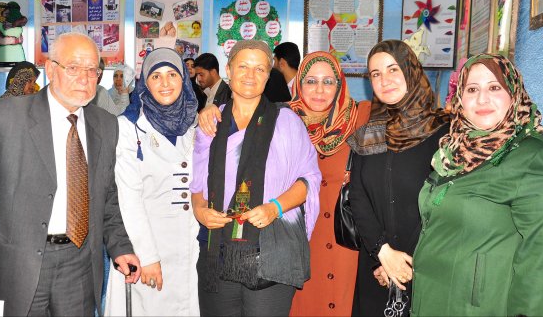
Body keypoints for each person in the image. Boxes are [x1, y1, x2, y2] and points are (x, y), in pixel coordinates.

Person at [0, 32, 141, 316]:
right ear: (50, 69)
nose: (84, 78)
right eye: (73, 67)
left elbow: (107, 195)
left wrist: (120, 246)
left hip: (80, 265)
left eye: (92, 70)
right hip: (17, 264)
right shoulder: (5, 116)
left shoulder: (106, 125)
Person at [411, 54, 543, 316]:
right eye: (472, 89)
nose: (482, 99)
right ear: (460, 98)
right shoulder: (453, 152)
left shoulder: (537, 157)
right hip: (431, 302)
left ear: (514, 94)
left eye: (494, 87)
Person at [191, 40, 321, 317]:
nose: (250, 75)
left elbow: (308, 180)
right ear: (228, 70)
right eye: (243, 67)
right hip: (217, 248)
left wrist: (275, 207)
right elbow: (198, 181)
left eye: (260, 69)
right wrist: (200, 210)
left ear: (268, 75)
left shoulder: (287, 122)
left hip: (270, 249)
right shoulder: (211, 122)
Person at [347, 40, 449, 316]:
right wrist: (382, 254)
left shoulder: (443, 131)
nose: (385, 80)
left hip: (426, 267)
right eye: (376, 73)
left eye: (393, 69)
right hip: (376, 267)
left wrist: (404, 263)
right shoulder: (368, 134)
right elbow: (358, 197)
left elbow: (448, 201)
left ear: (411, 70)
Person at [104, 48, 200, 316]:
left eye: (172, 74)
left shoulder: (194, 125)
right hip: (146, 245)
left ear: (184, 79)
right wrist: (147, 256)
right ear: (145, 83)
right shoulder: (128, 127)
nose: (165, 83)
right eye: (156, 76)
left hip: (188, 245)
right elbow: (128, 198)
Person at [288, 52, 371, 316]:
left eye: (328, 81)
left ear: (340, 84)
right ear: (299, 84)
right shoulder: (284, 121)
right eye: (311, 81)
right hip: (300, 241)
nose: (319, 90)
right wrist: (211, 111)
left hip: (345, 239)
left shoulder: (363, 117)